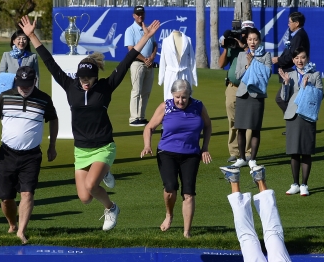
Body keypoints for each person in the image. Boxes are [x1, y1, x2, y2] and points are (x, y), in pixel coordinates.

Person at [20, 15, 160, 231]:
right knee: (85, 197)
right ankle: (104, 173)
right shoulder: (69, 85)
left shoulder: (105, 87)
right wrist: (32, 36)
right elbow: (49, 62)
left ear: (96, 77)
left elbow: (126, 60)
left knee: (91, 185)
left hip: (104, 146)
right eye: (82, 78)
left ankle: (111, 208)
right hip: (81, 149)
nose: (85, 82)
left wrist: (146, 37)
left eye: (88, 79)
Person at [0, 66, 58, 244]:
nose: (25, 88)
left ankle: (21, 231)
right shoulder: (5, 97)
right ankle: (12, 224)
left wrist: (52, 145)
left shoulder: (44, 99)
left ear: (34, 81)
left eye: (28, 84)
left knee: (27, 194)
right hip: (7, 154)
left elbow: (53, 119)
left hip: (31, 156)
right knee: (6, 198)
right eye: (22, 84)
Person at [141, 79, 212, 238]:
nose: (181, 101)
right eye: (178, 97)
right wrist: (147, 145)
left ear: (189, 96)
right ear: (173, 95)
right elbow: (149, 127)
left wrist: (204, 147)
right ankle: (169, 214)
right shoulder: (165, 107)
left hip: (191, 154)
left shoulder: (198, 106)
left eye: (184, 97)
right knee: (170, 188)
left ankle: (187, 232)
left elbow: (208, 125)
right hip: (167, 152)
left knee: (189, 193)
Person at [279, 47, 323, 197]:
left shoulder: (315, 74)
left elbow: (320, 95)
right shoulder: (289, 74)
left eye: (302, 57)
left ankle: (304, 184)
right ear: (293, 60)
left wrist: (307, 87)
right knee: (294, 152)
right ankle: (295, 183)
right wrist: (285, 83)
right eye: (297, 58)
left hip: (308, 116)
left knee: (306, 151)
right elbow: (284, 98)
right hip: (292, 116)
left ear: (307, 58)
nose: (300, 61)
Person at [230, 27, 272, 171]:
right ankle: (241, 158)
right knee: (240, 128)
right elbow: (237, 75)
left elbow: (266, 75)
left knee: (255, 128)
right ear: (246, 41)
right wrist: (248, 65)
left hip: (257, 95)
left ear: (259, 41)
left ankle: (252, 159)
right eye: (249, 39)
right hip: (242, 94)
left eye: (255, 39)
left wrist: (254, 62)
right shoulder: (242, 56)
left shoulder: (266, 55)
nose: (252, 42)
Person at [218, 22, 252, 163]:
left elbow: (255, 58)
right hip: (232, 87)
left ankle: (248, 152)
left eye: (244, 33)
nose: (241, 36)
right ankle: (234, 151)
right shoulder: (231, 46)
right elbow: (221, 65)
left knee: (248, 121)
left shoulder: (251, 46)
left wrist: (243, 46)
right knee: (232, 120)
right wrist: (226, 48)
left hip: (249, 88)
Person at [273, 12, 310, 121]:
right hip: (291, 71)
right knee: (287, 98)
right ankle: (292, 122)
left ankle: (295, 119)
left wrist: (278, 59)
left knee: (281, 98)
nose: (288, 24)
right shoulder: (297, 35)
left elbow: (292, 56)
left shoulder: (299, 36)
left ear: (297, 23)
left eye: (290, 22)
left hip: (293, 72)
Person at [124, 6, 157, 127]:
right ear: (134, 16)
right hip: (137, 63)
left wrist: (152, 58)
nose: (140, 16)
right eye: (138, 14)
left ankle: (141, 117)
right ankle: (133, 118)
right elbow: (131, 49)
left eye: (142, 14)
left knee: (146, 92)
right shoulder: (130, 30)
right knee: (136, 91)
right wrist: (144, 59)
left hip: (149, 64)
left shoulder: (148, 29)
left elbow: (154, 44)